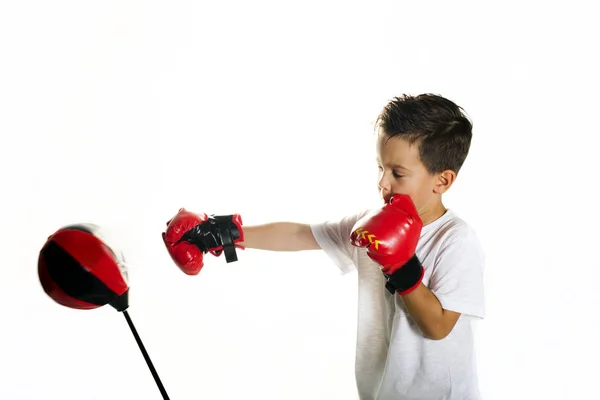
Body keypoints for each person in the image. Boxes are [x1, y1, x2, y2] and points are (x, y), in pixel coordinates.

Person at [162, 93, 486, 400]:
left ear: (441, 181)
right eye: (380, 167)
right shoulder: (369, 224)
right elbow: (300, 235)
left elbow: (439, 327)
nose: (382, 183)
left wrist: (402, 265)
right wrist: (223, 232)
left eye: (397, 173)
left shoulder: (456, 240)